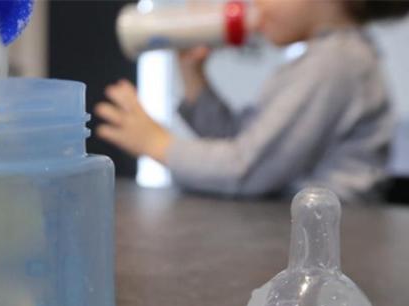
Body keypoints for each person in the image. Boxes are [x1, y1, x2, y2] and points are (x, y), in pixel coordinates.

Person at [95, 0, 409, 202]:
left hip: (336, 245)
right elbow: (246, 144)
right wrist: (193, 76)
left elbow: (246, 169)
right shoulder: (326, 59)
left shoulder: (335, 64)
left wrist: (159, 144)